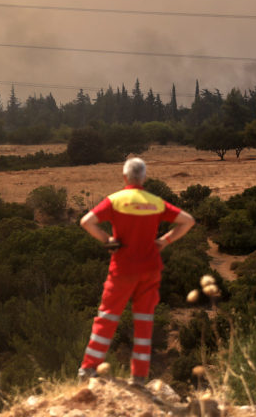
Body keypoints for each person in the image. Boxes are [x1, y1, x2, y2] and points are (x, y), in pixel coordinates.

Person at [78, 157, 195, 385]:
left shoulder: (115, 200)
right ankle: (139, 377)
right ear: (144, 178)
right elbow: (188, 221)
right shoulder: (155, 202)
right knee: (144, 321)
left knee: (107, 318)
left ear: (125, 177)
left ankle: (88, 369)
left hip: (122, 268)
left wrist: (107, 240)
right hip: (150, 269)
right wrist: (164, 241)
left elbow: (86, 221)